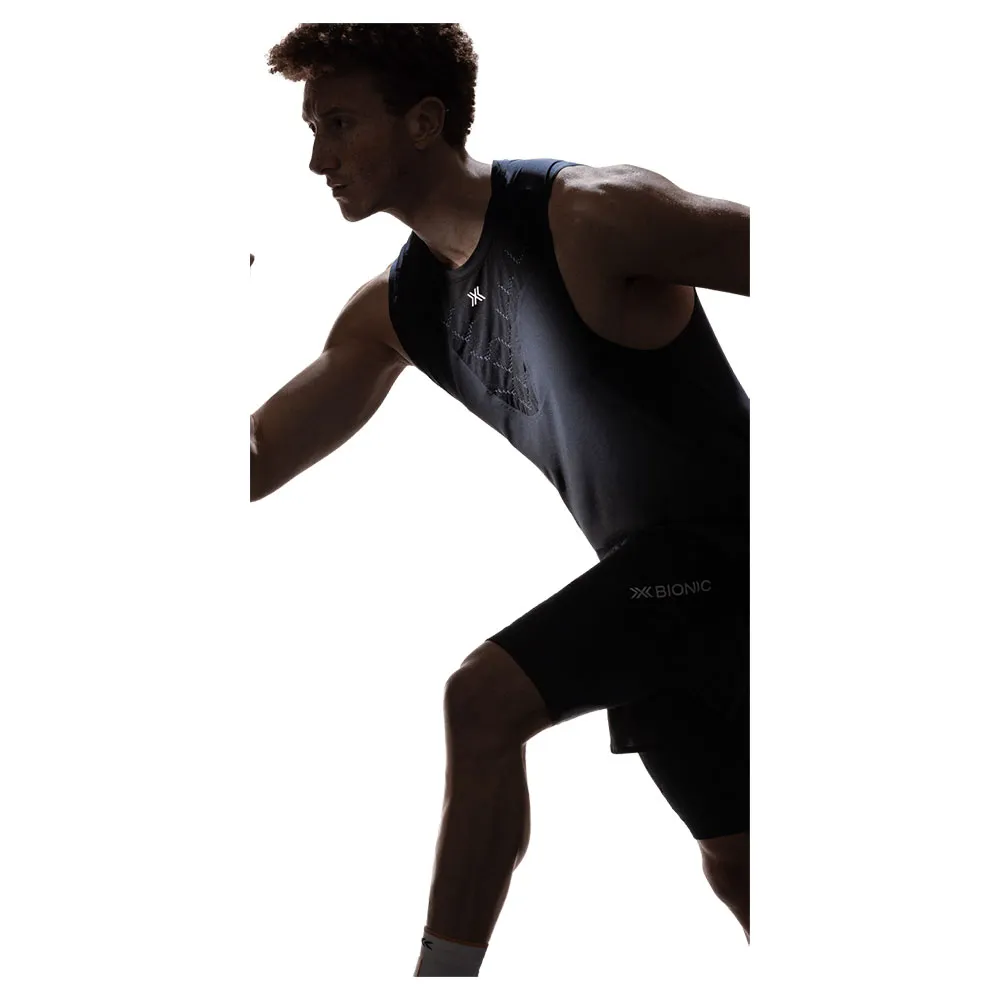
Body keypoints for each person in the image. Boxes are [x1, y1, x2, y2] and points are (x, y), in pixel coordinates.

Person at [250, 24, 750, 976]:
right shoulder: (397, 311)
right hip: (655, 600)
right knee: (742, 866)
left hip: (738, 555)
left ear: (423, 120)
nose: (318, 158)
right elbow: (260, 451)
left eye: (340, 123)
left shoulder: (592, 215)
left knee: (482, 700)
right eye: (313, 130)